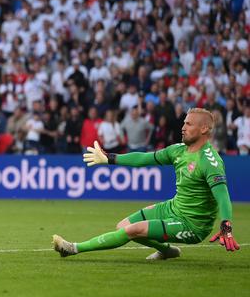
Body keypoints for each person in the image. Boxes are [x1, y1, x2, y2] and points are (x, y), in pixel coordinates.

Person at [53, 108, 240, 260]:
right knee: (123, 226)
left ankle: (73, 248)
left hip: (192, 224)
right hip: (173, 207)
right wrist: (108, 158)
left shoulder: (209, 161)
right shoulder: (178, 150)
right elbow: (144, 158)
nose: (183, 127)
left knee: (133, 230)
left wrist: (226, 224)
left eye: (189, 124)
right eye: (183, 122)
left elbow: (223, 196)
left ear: (204, 129)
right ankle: (167, 251)